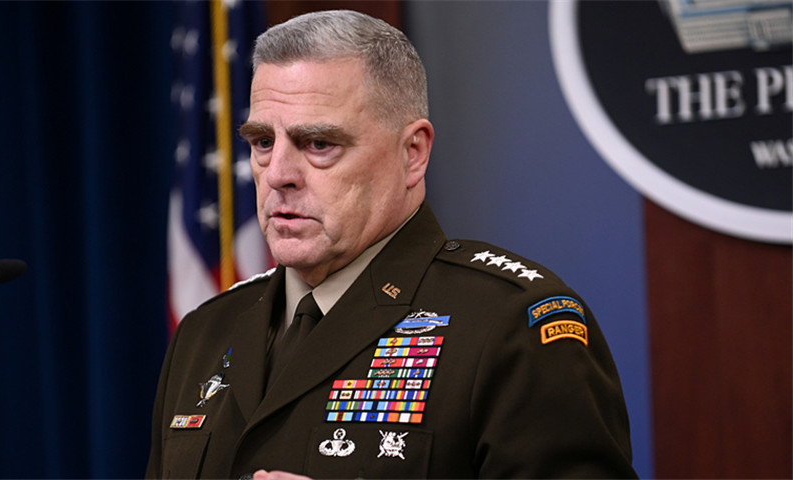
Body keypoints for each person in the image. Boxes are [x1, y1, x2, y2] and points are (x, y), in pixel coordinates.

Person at [146, 10, 636, 479]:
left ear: (413, 153)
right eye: (262, 143)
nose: (277, 175)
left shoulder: (511, 326)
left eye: (318, 144)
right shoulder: (205, 332)